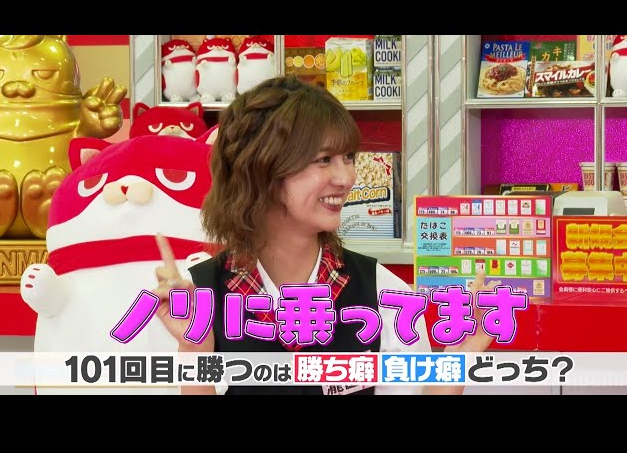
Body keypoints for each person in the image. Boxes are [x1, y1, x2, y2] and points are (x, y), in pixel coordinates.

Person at [151, 75, 500, 395]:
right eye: (323, 159)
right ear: (261, 169)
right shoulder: (195, 301)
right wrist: (193, 354)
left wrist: (460, 356)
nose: (346, 178)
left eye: (348, 157)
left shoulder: (383, 292)